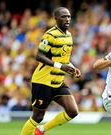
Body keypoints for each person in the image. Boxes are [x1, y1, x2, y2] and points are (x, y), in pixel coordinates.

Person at [20, 7, 81, 135]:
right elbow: (39, 56)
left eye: (69, 16)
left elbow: (63, 58)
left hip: (58, 81)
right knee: (38, 117)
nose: (67, 19)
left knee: (72, 111)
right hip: (43, 81)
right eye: (63, 16)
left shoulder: (69, 36)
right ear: (56, 19)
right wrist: (61, 67)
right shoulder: (50, 35)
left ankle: (41, 130)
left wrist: (72, 67)